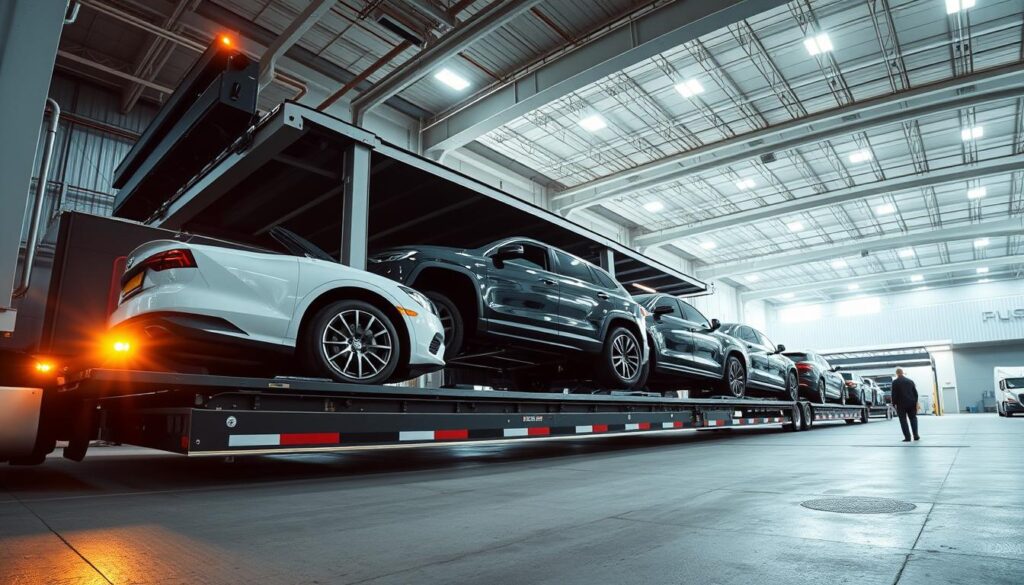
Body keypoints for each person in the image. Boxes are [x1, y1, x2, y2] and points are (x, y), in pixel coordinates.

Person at [891, 368, 919, 442]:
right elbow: (916, 394)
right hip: (912, 403)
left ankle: (907, 437)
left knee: (903, 420)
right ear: (903, 373)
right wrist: (915, 402)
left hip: (901, 404)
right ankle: (916, 435)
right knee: (913, 418)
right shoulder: (910, 381)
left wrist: (894, 404)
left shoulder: (895, 382)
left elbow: (894, 394)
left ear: (896, 373)